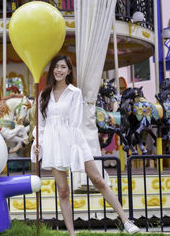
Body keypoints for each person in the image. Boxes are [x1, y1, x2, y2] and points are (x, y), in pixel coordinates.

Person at [32, 55, 140, 235]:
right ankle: (72, 233)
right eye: (56, 67)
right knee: (63, 190)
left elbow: (75, 123)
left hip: (74, 142)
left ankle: (126, 221)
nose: (59, 70)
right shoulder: (44, 95)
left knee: (98, 180)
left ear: (68, 71)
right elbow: (41, 125)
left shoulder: (75, 92)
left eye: (63, 67)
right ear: (52, 70)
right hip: (54, 145)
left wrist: (74, 150)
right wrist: (38, 144)